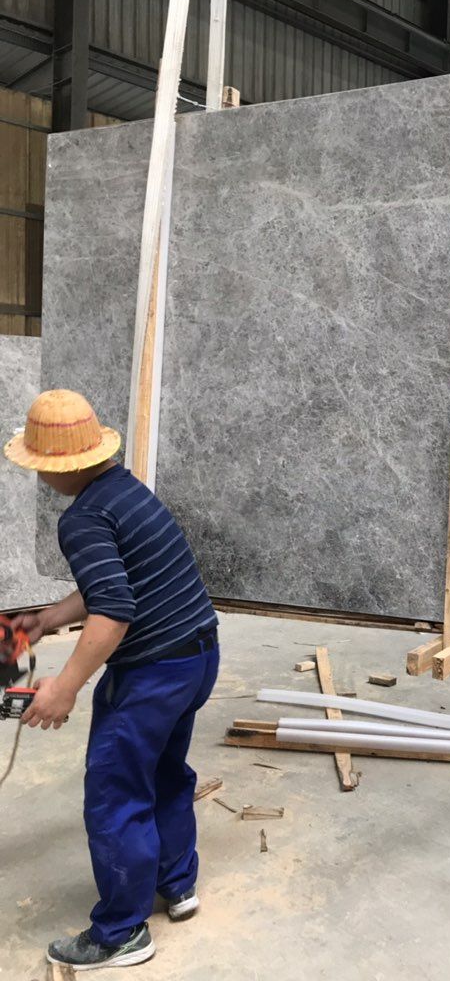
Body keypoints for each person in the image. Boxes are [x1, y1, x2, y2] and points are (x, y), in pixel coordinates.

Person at [5, 388, 219, 971]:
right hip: (197, 656)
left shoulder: (82, 519)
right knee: (165, 771)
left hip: (151, 673)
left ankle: (122, 932)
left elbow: (114, 612)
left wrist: (65, 686)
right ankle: (178, 883)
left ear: (55, 466)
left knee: (114, 791)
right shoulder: (126, 491)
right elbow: (120, 582)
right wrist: (47, 619)